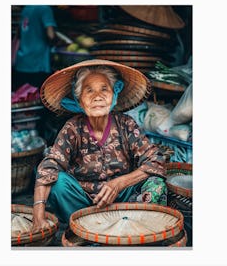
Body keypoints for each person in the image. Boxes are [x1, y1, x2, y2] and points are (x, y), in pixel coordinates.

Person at [32, 59, 167, 232]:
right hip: (83, 205)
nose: (98, 96)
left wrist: (118, 183)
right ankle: (84, 228)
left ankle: (135, 227)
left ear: (114, 95)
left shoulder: (126, 124)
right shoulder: (73, 128)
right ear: (79, 100)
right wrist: (38, 215)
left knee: (156, 183)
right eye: (89, 91)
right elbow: (48, 168)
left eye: (104, 89)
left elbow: (156, 160)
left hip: (124, 200)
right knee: (58, 182)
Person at [12, 5, 58, 91]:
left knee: (20, 97)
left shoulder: (26, 9)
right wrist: (58, 42)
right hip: (38, 63)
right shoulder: (45, 9)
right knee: (37, 97)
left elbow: (19, 34)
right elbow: (51, 35)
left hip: (21, 61)